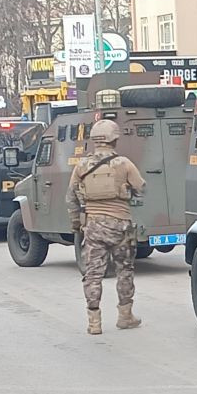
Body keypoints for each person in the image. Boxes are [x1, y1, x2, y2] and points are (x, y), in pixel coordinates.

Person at [66, 119, 146, 335]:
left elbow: (71, 197)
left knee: (93, 274)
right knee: (125, 270)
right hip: (121, 226)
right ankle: (125, 316)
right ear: (114, 139)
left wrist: (76, 223)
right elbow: (141, 189)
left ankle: (94, 322)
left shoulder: (81, 166)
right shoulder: (124, 164)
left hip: (93, 227)